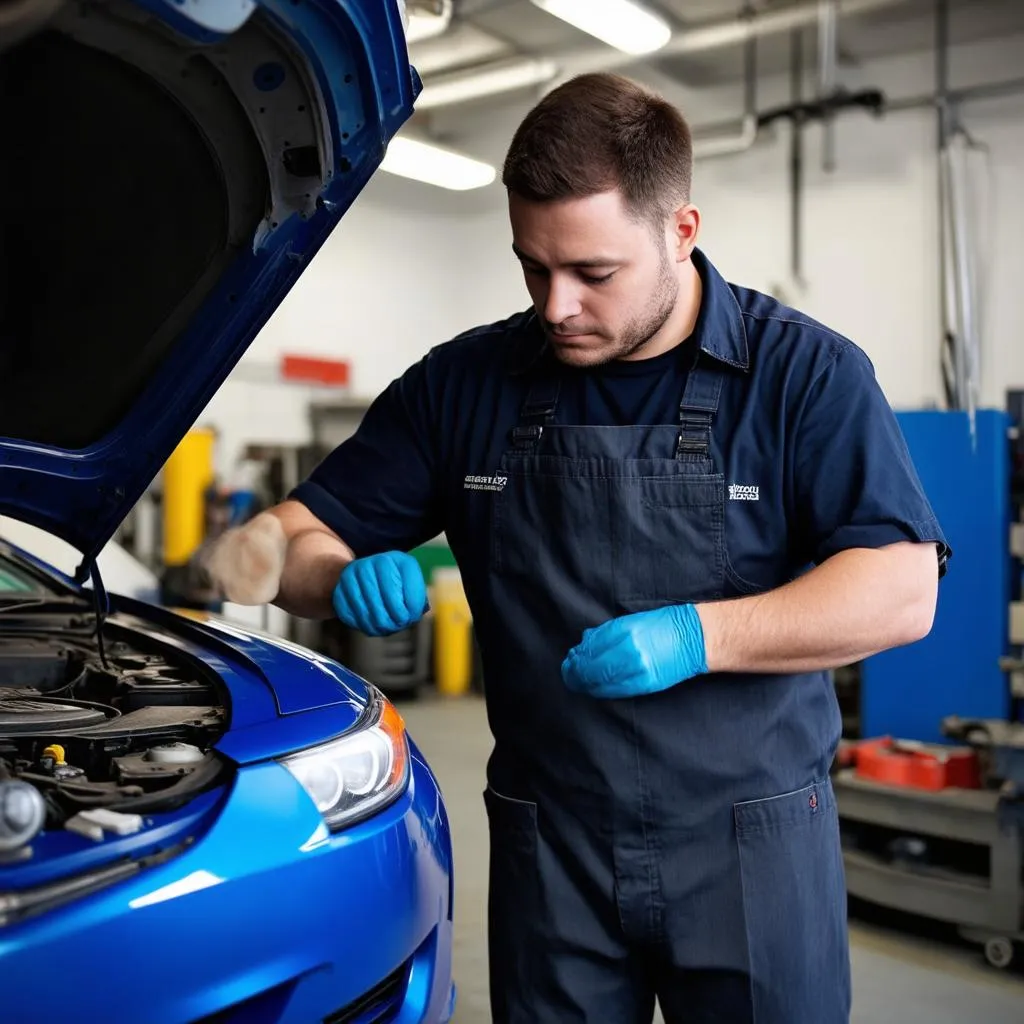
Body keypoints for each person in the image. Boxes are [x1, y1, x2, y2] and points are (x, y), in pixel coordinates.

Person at [202, 72, 950, 1024]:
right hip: (549, 846)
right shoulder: (468, 383)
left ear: (681, 231)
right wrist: (332, 573)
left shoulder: (804, 375)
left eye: (594, 274)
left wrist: (699, 636)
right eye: (532, 267)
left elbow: (900, 589)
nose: (556, 307)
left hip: (750, 845)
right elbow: (263, 548)